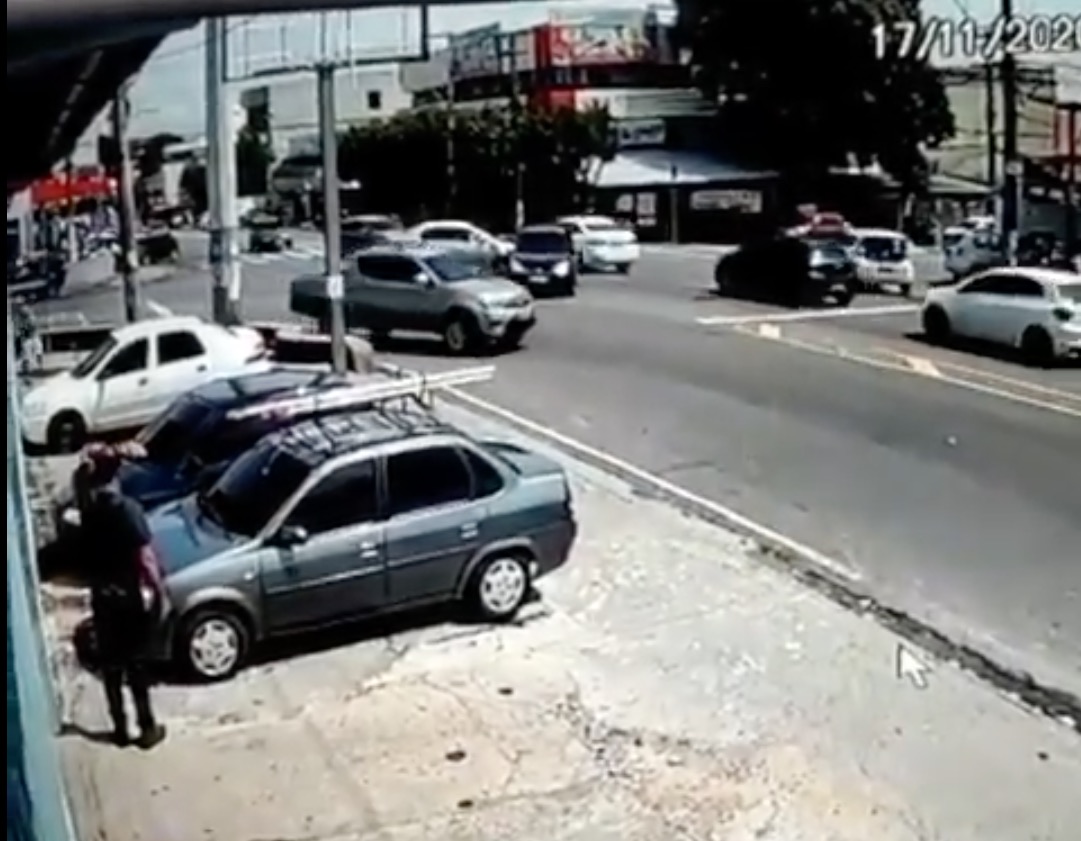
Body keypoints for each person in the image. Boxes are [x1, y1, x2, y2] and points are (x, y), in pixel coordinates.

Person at [77, 443, 167, 749]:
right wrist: (157, 590)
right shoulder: (127, 510)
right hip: (127, 595)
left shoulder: (90, 509)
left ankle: (120, 728)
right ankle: (147, 727)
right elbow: (145, 558)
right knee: (136, 663)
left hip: (102, 595)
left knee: (111, 665)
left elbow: (82, 477)